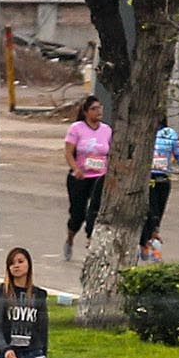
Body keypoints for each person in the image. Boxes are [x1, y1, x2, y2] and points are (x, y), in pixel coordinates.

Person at [62, 97, 110, 255]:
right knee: (78, 214)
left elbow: (110, 153)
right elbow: (68, 152)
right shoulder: (77, 128)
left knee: (95, 210)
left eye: (100, 108)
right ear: (86, 112)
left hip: (99, 176)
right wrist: (75, 169)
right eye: (94, 109)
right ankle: (70, 238)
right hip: (80, 177)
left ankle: (91, 239)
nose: (98, 111)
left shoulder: (106, 130)